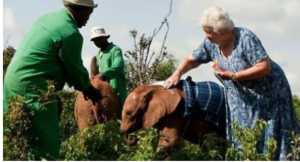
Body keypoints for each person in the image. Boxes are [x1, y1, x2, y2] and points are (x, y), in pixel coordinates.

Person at [163, 6, 300, 160]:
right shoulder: (211, 43)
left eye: (209, 32)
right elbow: (191, 59)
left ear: (222, 31)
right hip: (239, 100)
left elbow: (264, 66)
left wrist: (235, 76)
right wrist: (177, 73)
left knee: (271, 134)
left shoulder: (246, 38)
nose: (206, 36)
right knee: (241, 135)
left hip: (269, 95)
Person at [3, 0, 102, 160]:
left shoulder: (46, 19)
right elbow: (74, 68)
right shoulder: (70, 33)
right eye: (89, 15)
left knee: (13, 138)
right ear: (82, 11)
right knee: (45, 146)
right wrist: (89, 89)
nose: (88, 19)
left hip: (11, 82)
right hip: (33, 86)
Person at [89, 26, 127, 119]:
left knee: (120, 116)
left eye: (99, 39)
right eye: (94, 40)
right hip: (103, 92)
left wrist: (104, 74)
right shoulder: (97, 55)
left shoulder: (115, 50)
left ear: (106, 38)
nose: (97, 42)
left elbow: (118, 66)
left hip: (116, 89)